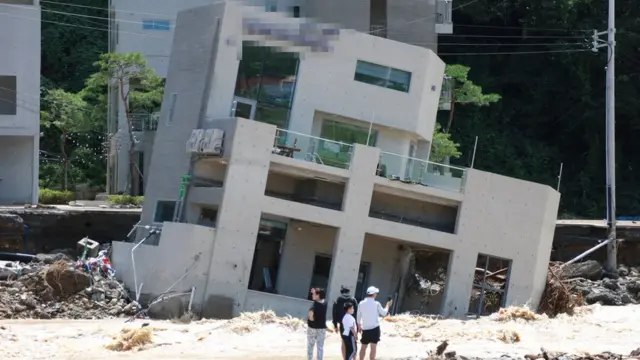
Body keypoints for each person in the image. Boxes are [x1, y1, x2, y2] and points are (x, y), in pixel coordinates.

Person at [357, 286, 392, 360]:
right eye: (376, 293)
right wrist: (387, 306)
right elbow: (384, 313)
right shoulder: (376, 304)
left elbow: (358, 316)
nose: (376, 294)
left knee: (363, 347)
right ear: (374, 294)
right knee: (373, 348)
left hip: (365, 328)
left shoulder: (361, 303)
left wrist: (359, 326)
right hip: (374, 329)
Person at [332, 286, 359, 359]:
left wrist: (335, 325)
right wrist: (357, 326)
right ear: (348, 292)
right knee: (353, 344)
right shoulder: (353, 299)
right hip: (352, 325)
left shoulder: (338, 299)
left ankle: (345, 358)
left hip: (343, 325)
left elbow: (334, 312)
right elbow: (357, 313)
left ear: (341, 292)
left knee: (344, 342)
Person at [307, 287, 328, 360]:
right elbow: (320, 295)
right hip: (322, 328)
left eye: (314, 294)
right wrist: (315, 290)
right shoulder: (325, 302)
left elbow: (311, 315)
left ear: (318, 295)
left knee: (310, 346)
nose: (312, 295)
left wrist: (311, 320)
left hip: (312, 328)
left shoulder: (314, 306)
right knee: (320, 347)